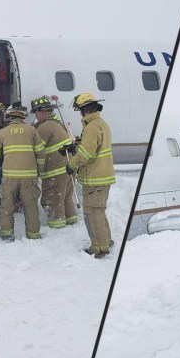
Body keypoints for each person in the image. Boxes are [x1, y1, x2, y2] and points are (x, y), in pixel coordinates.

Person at [66, 93, 115, 258]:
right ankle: (106, 241)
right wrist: (77, 145)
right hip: (102, 175)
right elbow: (93, 147)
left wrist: (71, 164)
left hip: (94, 177)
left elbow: (86, 154)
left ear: (84, 110)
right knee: (99, 211)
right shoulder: (100, 124)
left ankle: (99, 248)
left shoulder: (92, 127)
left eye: (79, 110)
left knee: (92, 213)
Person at [0, 103, 46, 242]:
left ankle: (7, 234)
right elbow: (41, 152)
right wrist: (38, 171)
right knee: (30, 206)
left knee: (7, 206)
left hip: (9, 176)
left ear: (9, 117)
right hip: (29, 176)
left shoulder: (3, 132)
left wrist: (0, 153)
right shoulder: (32, 130)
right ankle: (33, 235)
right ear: (23, 117)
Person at [31, 96, 76, 229]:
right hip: (68, 169)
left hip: (56, 171)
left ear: (42, 112)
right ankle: (71, 222)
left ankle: (57, 228)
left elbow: (35, 149)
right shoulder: (57, 125)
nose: (36, 116)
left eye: (36, 113)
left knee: (51, 200)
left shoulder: (45, 127)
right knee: (66, 198)